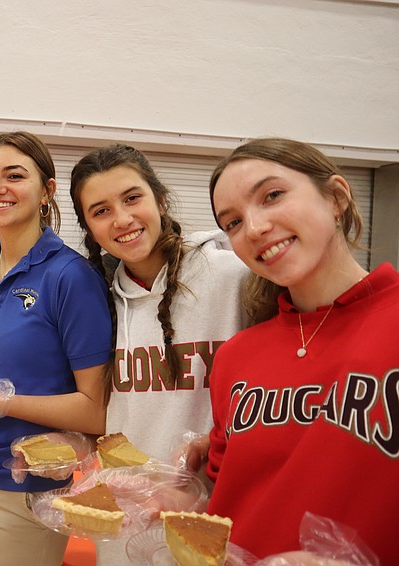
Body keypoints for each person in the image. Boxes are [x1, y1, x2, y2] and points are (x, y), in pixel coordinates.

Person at [206, 138, 399, 562]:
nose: (253, 228)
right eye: (233, 222)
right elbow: (224, 491)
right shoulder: (235, 356)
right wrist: (180, 492)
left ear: (337, 197)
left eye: (272, 195)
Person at [0, 131, 113, 566]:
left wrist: (1, 402)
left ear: (46, 190)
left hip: (24, 489)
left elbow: (95, 411)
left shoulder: (71, 277)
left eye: (14, 176)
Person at [68, 144, 250, 564]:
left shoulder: (234, 277)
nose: (122, 219)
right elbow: (109, 412)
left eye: (132, 198)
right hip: (127, 516)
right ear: (90, 229)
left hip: (212, 519)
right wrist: (73, 443)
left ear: (161, 200)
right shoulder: (98, 301)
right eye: (101, 210)